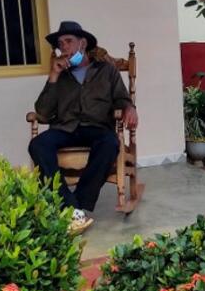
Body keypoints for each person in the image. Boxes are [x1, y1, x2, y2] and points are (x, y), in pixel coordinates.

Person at [29, 21, 138, 234]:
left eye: (69, 41)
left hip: (96, 127)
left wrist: (129, 107)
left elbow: (121, 98)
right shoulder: (61, 75)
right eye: (61, 44)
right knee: (38, 144)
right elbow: (42, 112)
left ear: (83, 43)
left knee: (109, 143)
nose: (64, 47)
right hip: (65, 128)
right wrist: (53, 77)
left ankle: (76, 204)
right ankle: (70, 206)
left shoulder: (106, 71)